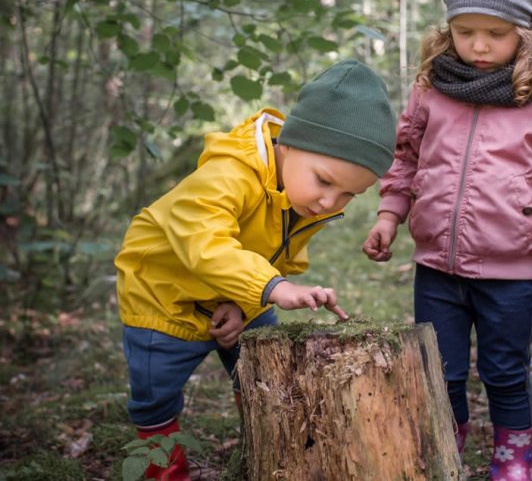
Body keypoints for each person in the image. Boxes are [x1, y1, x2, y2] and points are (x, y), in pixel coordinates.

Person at [363, 0, 532, 479]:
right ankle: (446, 446)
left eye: (495, 34)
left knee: (504, 371)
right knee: (443, 372)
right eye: (465, 32)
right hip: (437, 267)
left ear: (524, 32)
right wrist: (389, 214)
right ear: (448, 30)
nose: (478, 46)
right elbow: (406, 156)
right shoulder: (432, 85)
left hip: (510, 271)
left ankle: (514, 456)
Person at [115, 59, 396, 480]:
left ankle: (268, 450)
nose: (329, 203)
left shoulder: (302, 197)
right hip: (163, 298)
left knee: (263, 368)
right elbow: (203, 244)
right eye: (324, 181)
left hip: (245, 289)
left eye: (348, 195)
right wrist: (272, 287)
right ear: (291, 144)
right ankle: (162, 467)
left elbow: (274, 253)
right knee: (155, 394)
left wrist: (242, 301)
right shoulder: (230, 173)